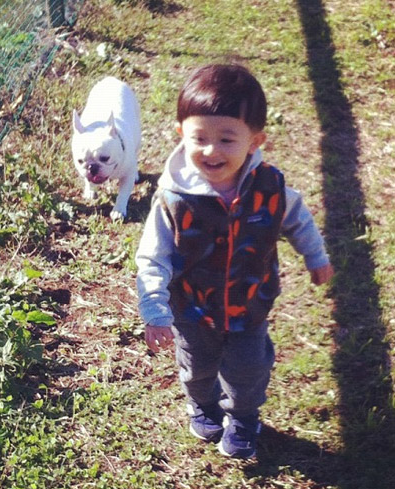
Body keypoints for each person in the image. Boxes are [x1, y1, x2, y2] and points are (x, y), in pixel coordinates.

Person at [135, 63, 334, 459]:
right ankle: (203, 404)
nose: (211, 150)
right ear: (181, 135)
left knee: (248, 370)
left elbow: (296, 219)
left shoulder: (270, 187)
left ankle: (243, 418)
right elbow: (152, 256)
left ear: (255, 140)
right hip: (191, 307)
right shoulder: (172, 199)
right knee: (197, 367)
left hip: (250, 301)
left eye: (227, 138)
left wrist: (315, 256)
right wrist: (154, 308)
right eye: (199, 137)